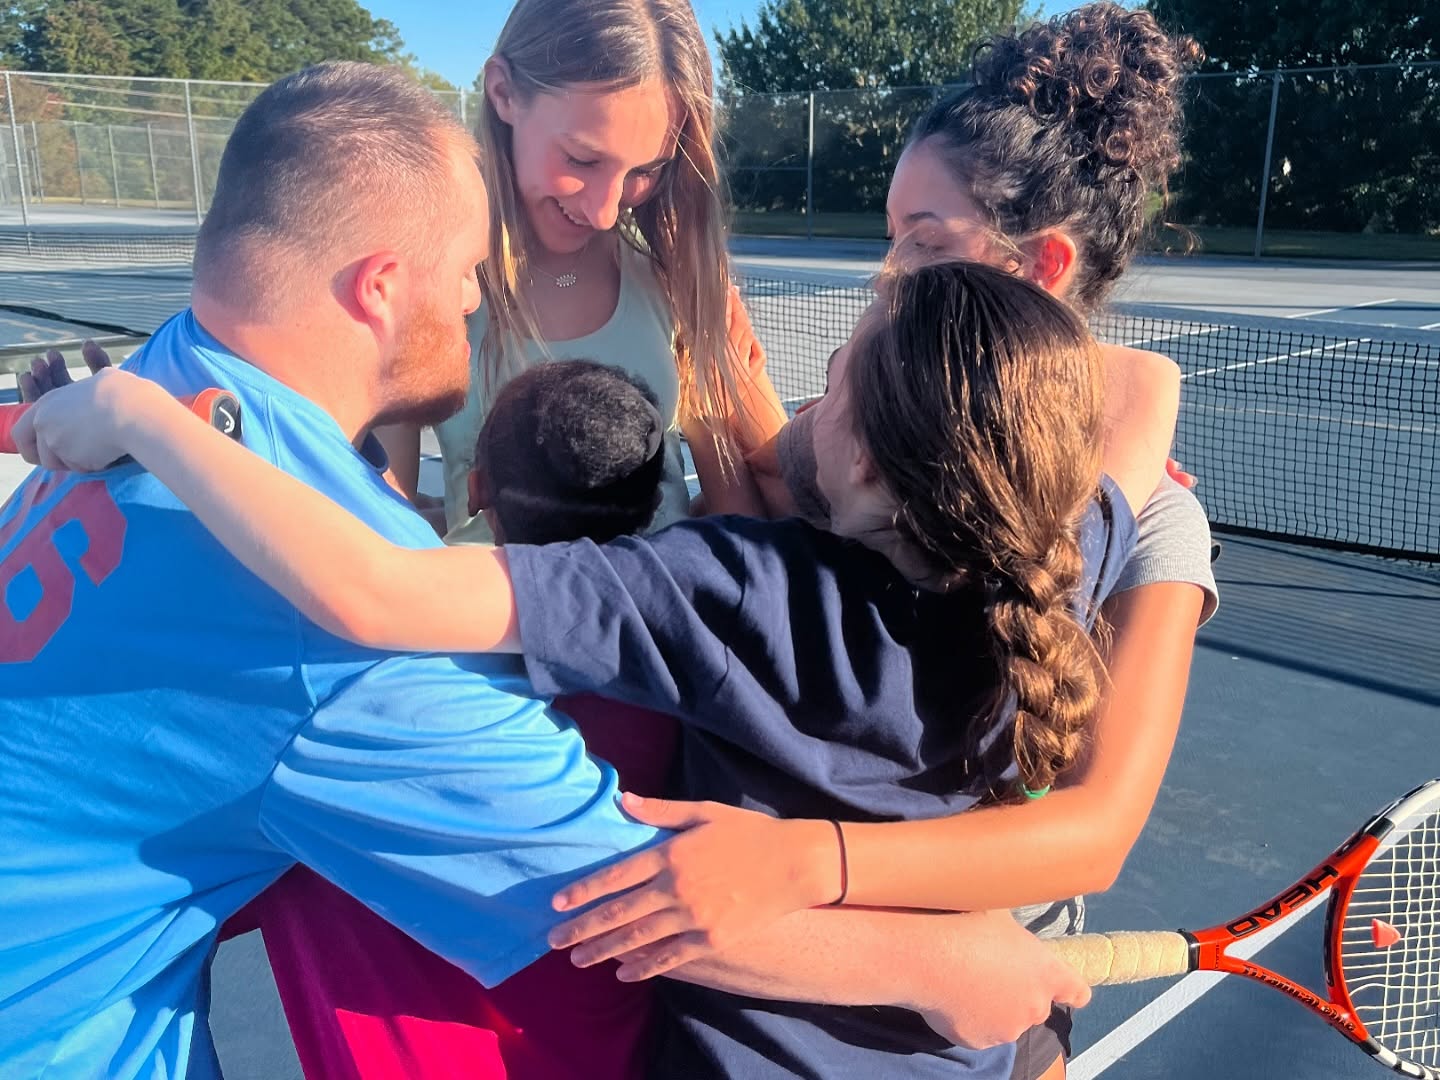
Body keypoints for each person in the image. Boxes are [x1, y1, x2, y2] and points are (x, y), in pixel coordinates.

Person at [0, 65, 1085, 1080]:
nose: (480, 301)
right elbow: (620, 893)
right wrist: (938, 963)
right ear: (382, 288)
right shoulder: (349, 657)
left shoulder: (172, 375)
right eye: (470, 272)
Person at [542, 7, 1217, 1079]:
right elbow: (755, 503)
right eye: (893, 236)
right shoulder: (868, 436)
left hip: (982, 992)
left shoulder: (1155, 519)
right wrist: (706, 338)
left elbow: (1092, 832)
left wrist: (813, 861)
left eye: (927, 241)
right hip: (780, 982)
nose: (889, 272)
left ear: (1040, 265)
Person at [377, 0, 788, 540]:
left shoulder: (677, 282)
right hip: (489, 597)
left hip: (660, 595)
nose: (605, 212)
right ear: (503, 93)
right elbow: (385, 523)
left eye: (645, 169)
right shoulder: (425, 286)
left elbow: (744, 517)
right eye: (582, 159)